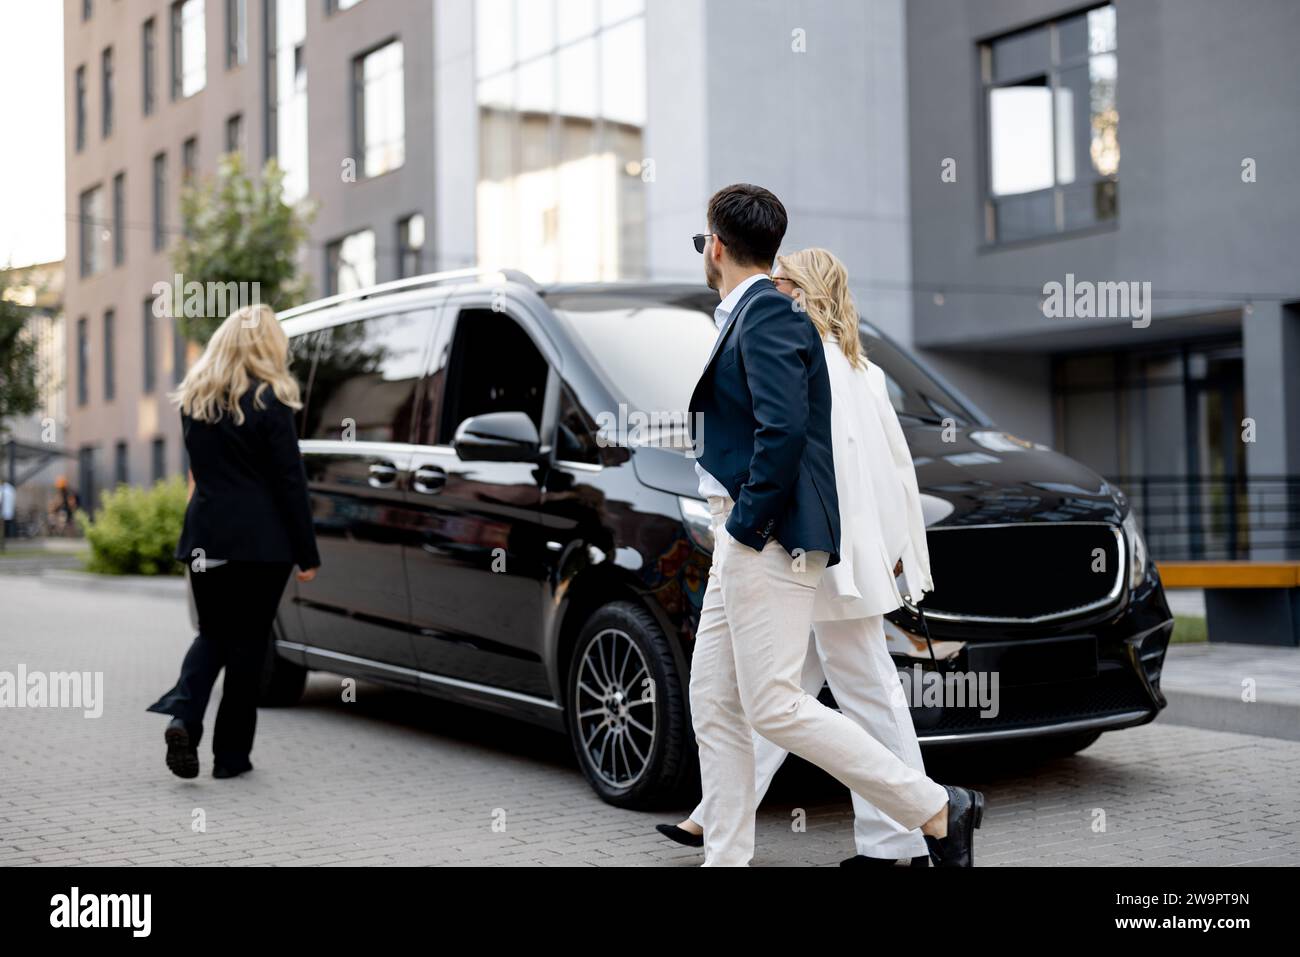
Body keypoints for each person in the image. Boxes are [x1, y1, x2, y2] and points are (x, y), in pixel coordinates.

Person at [679, 184, 983, 866]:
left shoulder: (770, 316)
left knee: (777, 706)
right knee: (716, 702)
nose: (705, 252)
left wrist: (745, 526)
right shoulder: (747, 314)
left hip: (765, 540)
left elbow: (784, 437)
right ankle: (724, 857)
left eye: (703, 242)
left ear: (718, 246)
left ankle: (934, 807)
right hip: (749, 536)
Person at [147, 303, 320, 780]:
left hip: (205, 539)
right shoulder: (271, 402)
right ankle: (231, 759)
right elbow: (290, 484)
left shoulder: (195, 401)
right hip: (260, 548)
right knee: (248, 646)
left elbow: (199, 475)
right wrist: (307, 554)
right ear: (267, 347)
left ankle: (184, 719)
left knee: (211, 635)